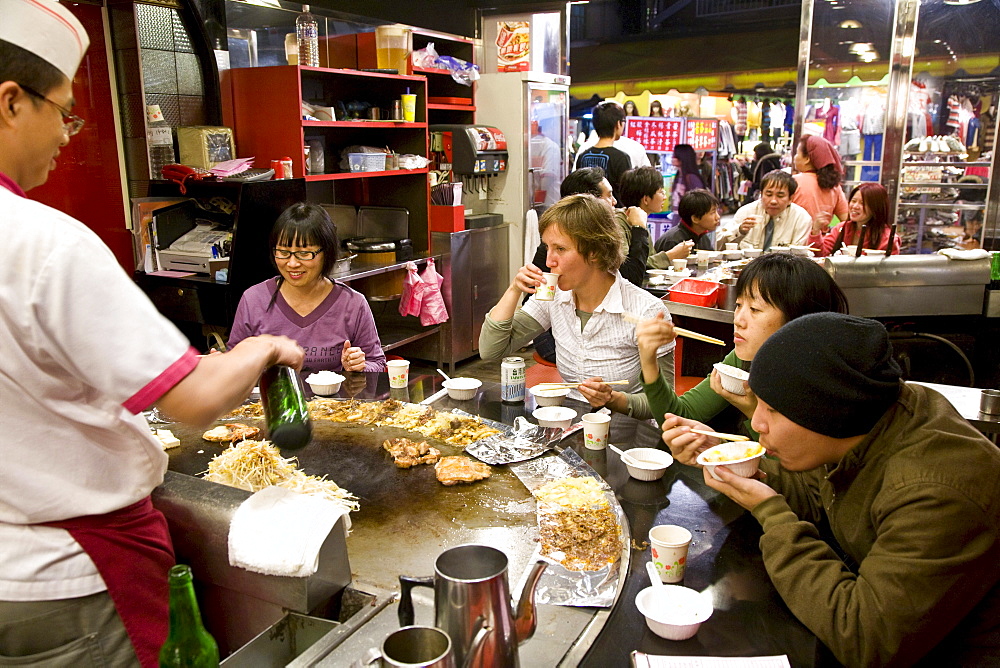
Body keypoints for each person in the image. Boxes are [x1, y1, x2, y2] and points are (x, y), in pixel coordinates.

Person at [0, 4, 304, 665]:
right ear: (11, 102)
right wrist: (261, 348)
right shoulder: (40, 242)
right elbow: (192, 399)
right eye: (62, 110)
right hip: (70, 575)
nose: (66, 134)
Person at [661, 313, 1000, 666]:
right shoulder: (863, 421)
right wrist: (738, 465)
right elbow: (815, 494)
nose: (756, 422)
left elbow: (865, 640)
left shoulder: (936, 492)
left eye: (773, 410)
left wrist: (772, 513)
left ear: (828, 411)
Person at [480, 194, 676, 419]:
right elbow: (490, 349)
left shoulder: (646, 310)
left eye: (560, 249)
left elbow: (666, 404)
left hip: (629, 439)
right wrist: (514, 289)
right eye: (547, 247)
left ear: (594, 251)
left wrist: (613, 399)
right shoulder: (554, 296)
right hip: (570, 424)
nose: (549, 261)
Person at [639, 253, 848, 434]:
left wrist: (753, 411)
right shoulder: (741, 361)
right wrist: (649, 362)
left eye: (755, 309)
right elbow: (678, 416)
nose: (738, 319)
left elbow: (797, 475)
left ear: (799, 319)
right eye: (739, 305)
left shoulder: (819, 384)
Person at [228, 203, 386, 374]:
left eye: (304, 253)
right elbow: (233, 362)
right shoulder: (253, 299)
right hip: (270, 400)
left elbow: (376, 362)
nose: (292, 263)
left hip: (334, 400)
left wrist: (359, 366)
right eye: (283, 252)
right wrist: (219, 364)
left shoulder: (353, 303)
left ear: (327, 252)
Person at [617, 166, 694, 267]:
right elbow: (630, 267)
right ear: (646, 199)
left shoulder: (641, 218)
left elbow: (647, 258)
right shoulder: (619, 223)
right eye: (661, 192)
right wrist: (670, 255)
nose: (665, 197)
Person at [716, 170, 812, 250]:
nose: (773, 201)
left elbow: (798, 256)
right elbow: (717, 245)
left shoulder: (801, 218)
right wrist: (739, 231)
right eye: (769, 194)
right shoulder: (746, 212)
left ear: (791, 198)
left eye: (780, 196)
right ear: (761, 194)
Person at [816, 182, 901, 256]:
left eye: (862, 203)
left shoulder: (888, 238)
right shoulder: (841, 228)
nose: (855, 206)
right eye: (853, 201)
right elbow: (821, 254)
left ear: (876, 208)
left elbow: (889, 270)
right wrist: (816, 231)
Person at [791, 134, 849, 241]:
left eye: (797, 153)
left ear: (807, 159)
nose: (794, 158)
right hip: (822, 243)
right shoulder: (834, 186)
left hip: (795, 241)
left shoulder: (793, 182)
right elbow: (846, 221)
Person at [575, 101, 632, 192]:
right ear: (618, 124)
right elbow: (627, 193)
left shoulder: (582, 156)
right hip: (614, 206)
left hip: (587, 206)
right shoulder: (621, 158)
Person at [653, 188, 721, 255]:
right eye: (712, 213)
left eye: (716, 211)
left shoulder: (703, 237)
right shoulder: (673, 241)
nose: (718, 217)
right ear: (695, 218)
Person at [668, 144, 706, 213]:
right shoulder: (679, 176)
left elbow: (700, 203)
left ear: (682, 157)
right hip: (677, 217)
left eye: (675, 155)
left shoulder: (692, 178)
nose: (672, 158)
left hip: (686, 219)